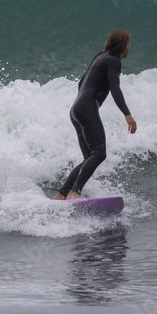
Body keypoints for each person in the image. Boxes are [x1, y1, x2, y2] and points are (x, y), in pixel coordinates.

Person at [53, 29, 138, 200]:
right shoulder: (113, 61)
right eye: (128, 44)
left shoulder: (99, 57)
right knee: (99, 153)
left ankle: (61, 195)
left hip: (75, 109)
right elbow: (115, 88)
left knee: (89, 158)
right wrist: (127, 114)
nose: (129, 47)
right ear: (123, 44)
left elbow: (81, 82)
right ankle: (74, 193)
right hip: (86, 108)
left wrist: (83, 104)